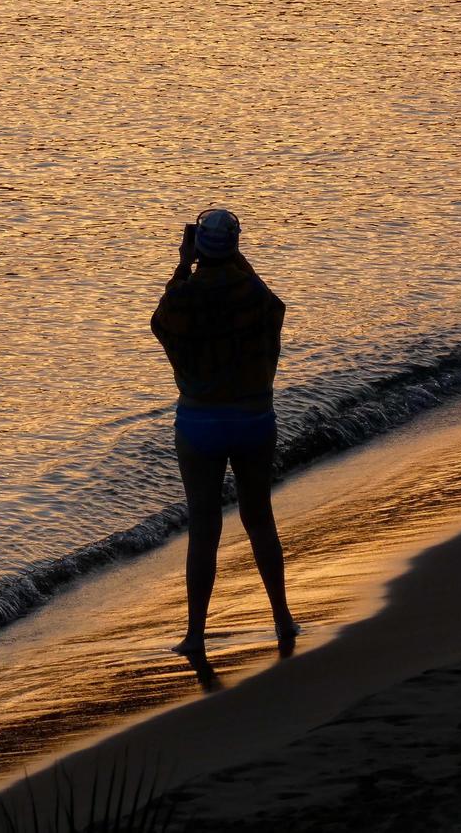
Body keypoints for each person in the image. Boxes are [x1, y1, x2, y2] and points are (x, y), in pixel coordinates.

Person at [151, 208, 300, 659]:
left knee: (204, 529)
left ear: (199, 249)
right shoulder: (254, 294)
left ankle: (196, 634)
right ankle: (281, 618)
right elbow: (276, 309)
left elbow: (160, 323)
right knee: (260, 520)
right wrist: (239, 262)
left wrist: (182, 264)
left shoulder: (184, 296)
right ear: (235, 246)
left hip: (200, 423)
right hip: (254, 419)